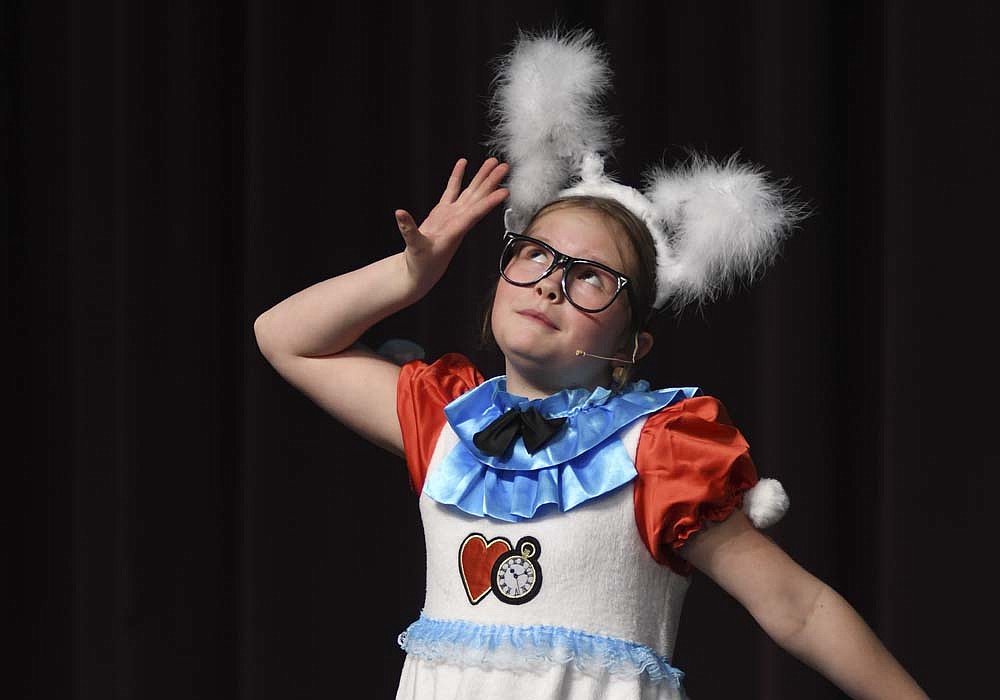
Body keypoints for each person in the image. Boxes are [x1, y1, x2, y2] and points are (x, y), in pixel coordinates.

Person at [253, 30, 927, 700]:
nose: (552, 284)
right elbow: (284, 336)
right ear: (499, 280)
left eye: (592, 277)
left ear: (630, 349)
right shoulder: (446, 420)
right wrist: (408, 276)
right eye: (537, 256)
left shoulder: (658, 452)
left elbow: (797, 607)